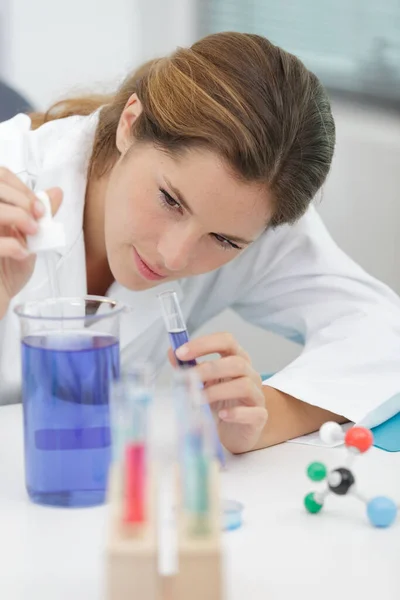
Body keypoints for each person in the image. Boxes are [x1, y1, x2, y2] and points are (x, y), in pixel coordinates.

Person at [0, 32, 399, 455]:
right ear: (130, 125)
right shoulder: (13, 169)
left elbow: (383, 335)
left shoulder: (249, 212)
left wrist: (268, 412)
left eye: (224, 240)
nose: (174, 255)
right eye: (170, 200)